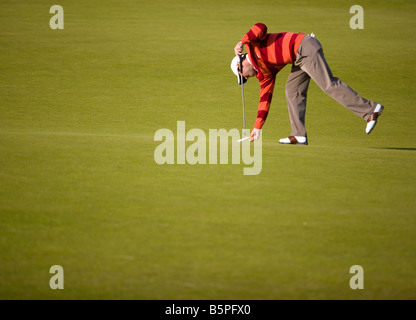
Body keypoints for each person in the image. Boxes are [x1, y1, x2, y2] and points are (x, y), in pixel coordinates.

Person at [230, 23, 384, 144]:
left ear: (241, 64)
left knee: (328, 84)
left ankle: (370, 110)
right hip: (299, 59)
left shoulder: (252, 44)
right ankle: (298, 135)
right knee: (292, 91)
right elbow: (265, 100)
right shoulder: (264, 75)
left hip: (305, 47)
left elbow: (260, 27)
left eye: (242, 76)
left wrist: (242, 41)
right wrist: (257, 128)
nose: (246, 78)